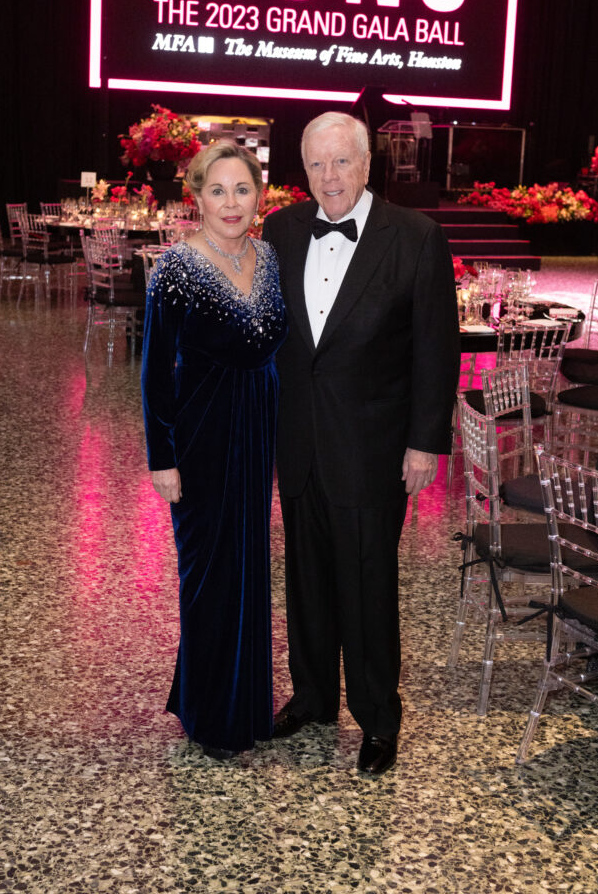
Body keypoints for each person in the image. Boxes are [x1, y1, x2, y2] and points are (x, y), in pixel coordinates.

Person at [263, 112, 459, 775]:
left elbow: (436, 349)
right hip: (299, 442)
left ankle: (378, 718)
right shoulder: (282, 229)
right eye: (316, 165)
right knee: (307, 579)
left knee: (368, 585)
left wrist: (423, 445)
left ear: (367, 164)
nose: (329, 177)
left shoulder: (415, 237)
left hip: (373, 448)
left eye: (341, 162)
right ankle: (313, 698)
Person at [142, 141, 287, 759]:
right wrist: (161, 457)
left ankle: (246, 704)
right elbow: (153, 372)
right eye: (218, 191)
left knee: (249, 569)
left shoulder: (271, 257)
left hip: (257, 436)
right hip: (200, 440)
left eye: (243, 190)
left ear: (260, 195)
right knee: (206, 574)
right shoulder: (175, 267)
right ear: (196, 198)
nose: (232, 204)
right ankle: (209, 712)